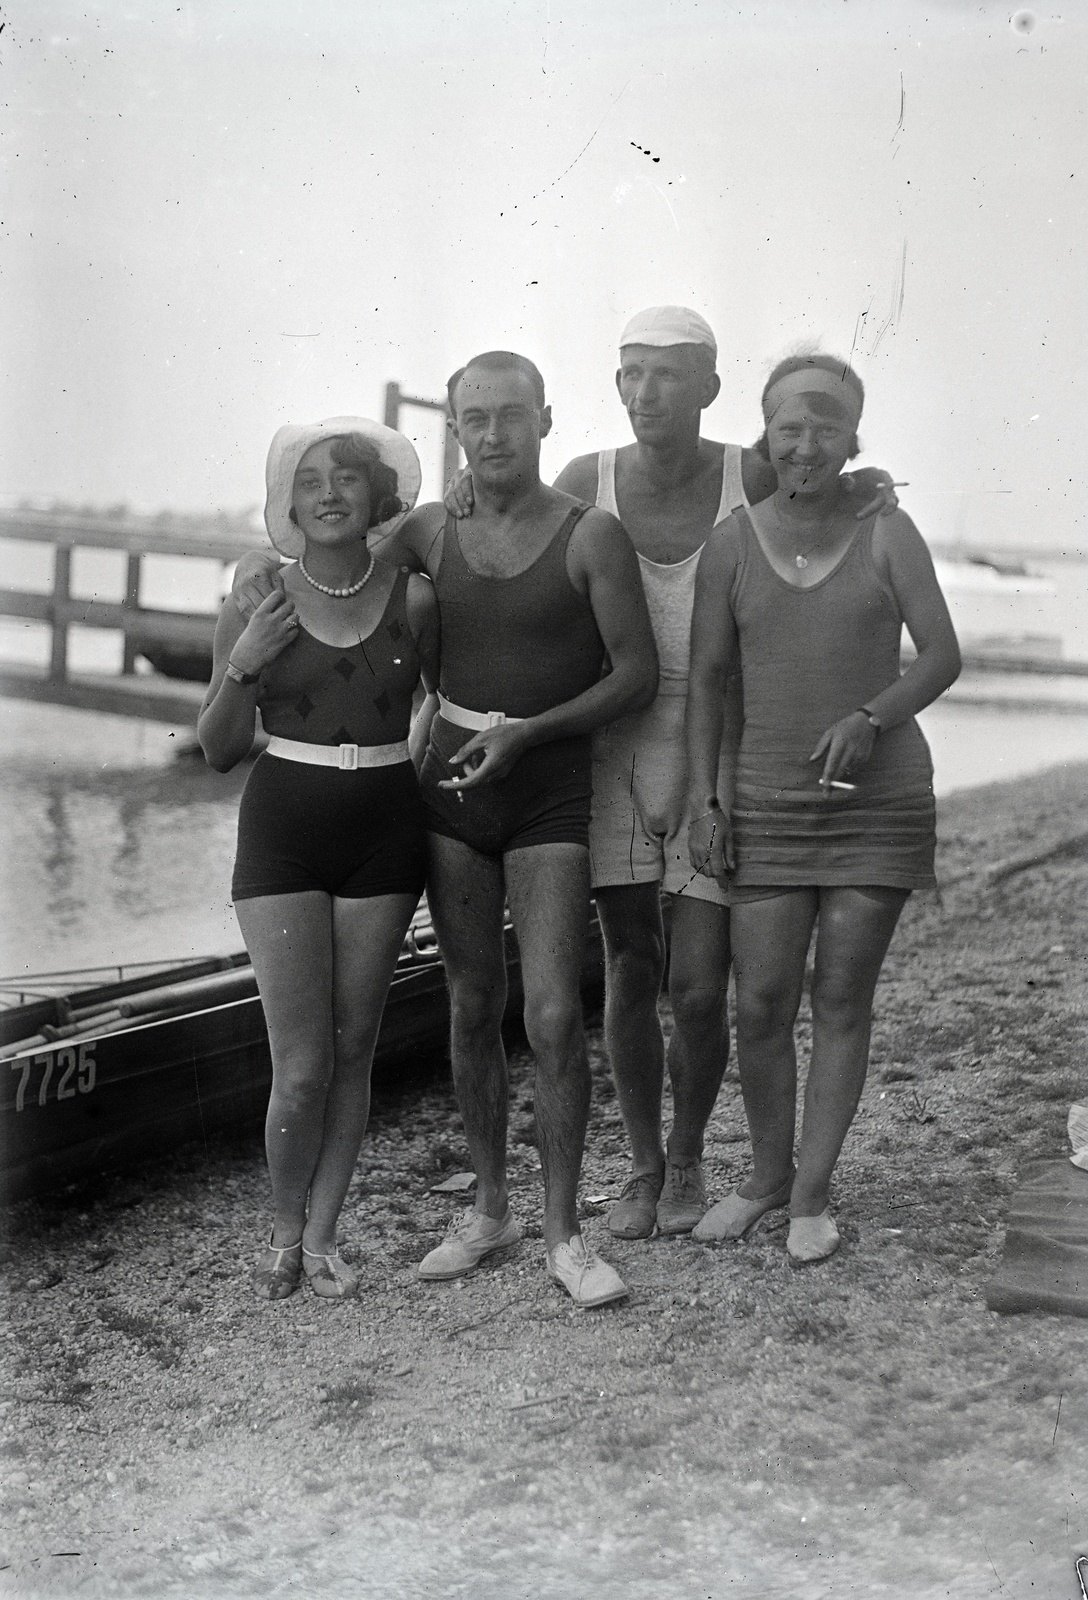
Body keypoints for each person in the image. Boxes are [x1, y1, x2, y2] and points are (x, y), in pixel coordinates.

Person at [446, 308, 899, 1242]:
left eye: (668, 374)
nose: (646, 392)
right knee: (628, 960)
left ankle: (690, 1157)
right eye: (632, 373)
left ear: (710, 387)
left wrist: (868, 485)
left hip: (721, 739)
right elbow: (513, 520)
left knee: (698, 983)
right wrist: (462, 488)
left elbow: (820, 494)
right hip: (607, 737)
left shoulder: (750, 473)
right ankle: (645, 1166)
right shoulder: (588, 479)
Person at [234, 354, 658, 1307]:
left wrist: (531, 734)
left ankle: (565, 1235)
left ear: (545, 419)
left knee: (552, 1014)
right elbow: (330, 565)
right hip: (450, 797)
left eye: (511, 415)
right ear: (456, 430)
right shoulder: (429, 529)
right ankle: (490, 1211)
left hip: (545, 792)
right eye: (475, 419)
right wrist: (253, 567)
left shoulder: (591, 535)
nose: (493, 434)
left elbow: (637, 674)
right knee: (471, 1005)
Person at [684, 354, 960, 1265]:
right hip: (764, 801)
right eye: (790, 428)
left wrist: (871, 717)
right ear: (766, 434)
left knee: (841, 997)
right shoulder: (731, 543)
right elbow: (708, 682)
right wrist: (708, 799)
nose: (806, 446)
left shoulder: (888, 529)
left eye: (827, 429)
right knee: (760, 1002)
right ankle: (767, 1175)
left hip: (876, 805)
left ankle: (810, 1194)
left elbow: (941, 655)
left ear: (853, 440)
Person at [199, 417, 438, 1301]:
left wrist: (419, 767)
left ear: (376, 497)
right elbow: (218, 747)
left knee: (354, 1045)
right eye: (309, 481)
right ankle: (282, 1234)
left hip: (386, 830)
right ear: (289, 507)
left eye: (346, 477)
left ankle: (327, 1236)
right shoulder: (257, 603)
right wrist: (244, 666)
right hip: (283, 831)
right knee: (300, 1064)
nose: (329, 492)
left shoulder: (417, 600)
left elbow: (445, 702)